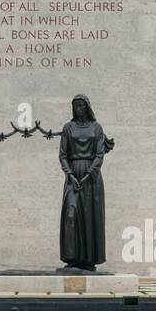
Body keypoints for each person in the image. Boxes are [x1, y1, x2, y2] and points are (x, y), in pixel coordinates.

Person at [59, 94, 106, 270]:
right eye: (76, 106)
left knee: (90, 216)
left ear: (87, 107)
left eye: (81, 105)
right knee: (71, 214)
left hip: (92, 177)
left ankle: (88, 260)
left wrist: (89, 174)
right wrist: (70, 175)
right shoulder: (68, 128)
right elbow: (63, 155)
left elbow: (99, 154)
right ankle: (72, 258)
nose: (79, 109)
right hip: (73, 175)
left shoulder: (96, 128)